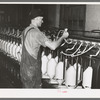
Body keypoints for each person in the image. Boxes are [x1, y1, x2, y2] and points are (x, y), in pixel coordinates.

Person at [20, 9, 69, 88]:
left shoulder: (25, 31)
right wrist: (63, 37)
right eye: (41, 19)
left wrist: (46, 38)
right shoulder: (37, 33)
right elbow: (53, 46)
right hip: (33, 72)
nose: (42, 21)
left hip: (24, 69)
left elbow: (30, 45)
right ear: (36, 19)